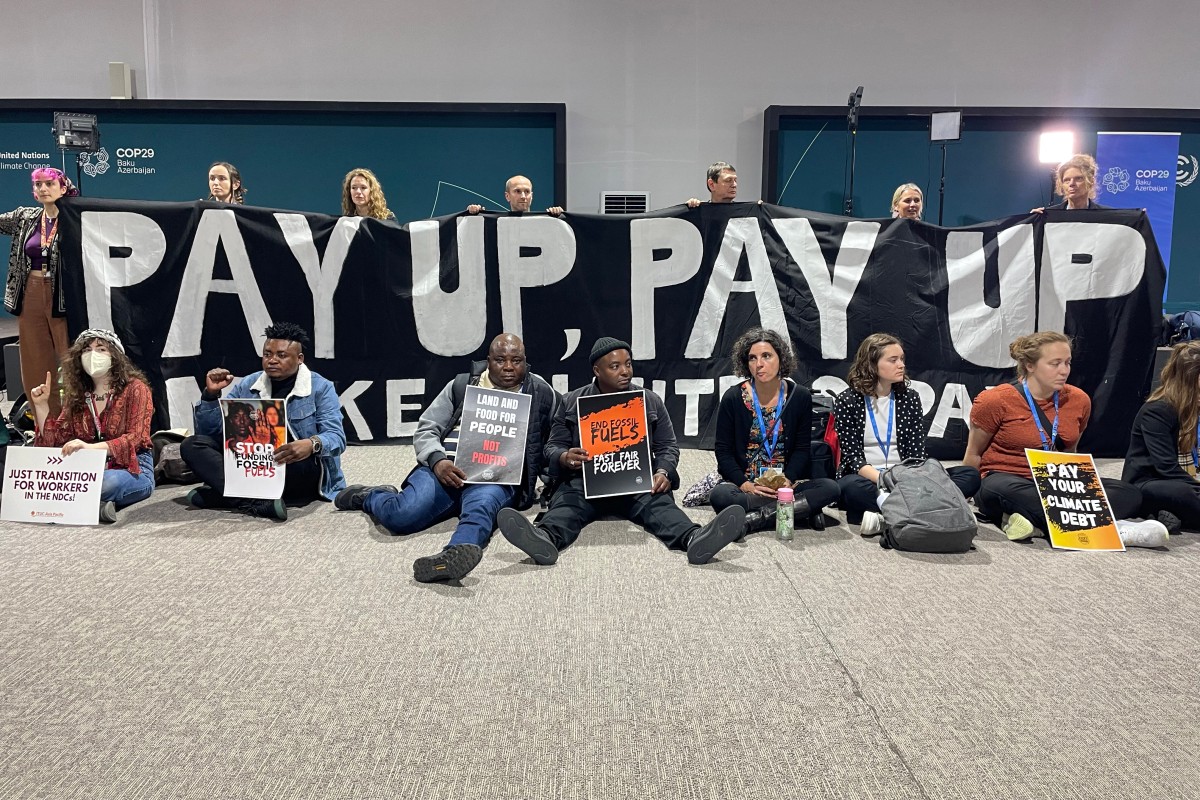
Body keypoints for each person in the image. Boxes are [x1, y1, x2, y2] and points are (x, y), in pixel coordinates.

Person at [497, 337, 745, 566]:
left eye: (628, 364)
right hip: (585, 481)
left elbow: (667, 446)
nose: (625, 371)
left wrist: (663, 471)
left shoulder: (648, 400)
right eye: (615, 366)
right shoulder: (572, 401)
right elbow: (553, 447)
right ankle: (544, 538)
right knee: (565, 509)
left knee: (660, 507)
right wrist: (565, 457)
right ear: (597, 371)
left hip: (633, 480)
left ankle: (694, 538)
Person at [335, 334, 559, 583]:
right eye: (500, 360)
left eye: (516, 360)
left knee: (480, 511)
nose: (508, 367)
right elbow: (427, 428)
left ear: (525, 361)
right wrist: (437, 460)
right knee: (401, 517)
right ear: (488, 361)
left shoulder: (540, 392)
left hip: (495, 475)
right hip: (446, 468)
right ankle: (371, 497)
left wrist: (550, 483)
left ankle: (452, 557)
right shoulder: (462, 385)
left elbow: (553, 439)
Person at [965, 331, 1166, 547]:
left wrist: (1076, 486)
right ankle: (1112, 528)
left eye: (1067, 363)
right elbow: (974, 453)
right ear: (1030, 365)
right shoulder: (995, 400)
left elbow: (1071, 454)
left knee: (1129, 493)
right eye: (1055, 363)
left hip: (1056, 483)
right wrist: (962, 498)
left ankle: (1036, 524)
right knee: (1001, 491)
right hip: (1007, 478)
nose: (1064, 371)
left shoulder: (1079, 400)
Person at [181, 322, 346, 519]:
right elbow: (212, 433)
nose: (272, 360)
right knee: (192, 445)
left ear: (299, 358)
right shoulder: (249, 384)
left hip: (292, 464)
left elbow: (336, 437)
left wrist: (312, 444)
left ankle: (225, 495)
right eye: (267, 354)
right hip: (251, 461)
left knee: (298, 463)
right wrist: (211, 395)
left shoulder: (321, 388)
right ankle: (256, 502)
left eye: (281, 355)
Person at [833, 333, 980, 533]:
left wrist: (906, 481)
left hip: (906, 476)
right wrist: (884, 480)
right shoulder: (847, 400)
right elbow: (852, 458)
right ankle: (931, 511)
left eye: (902, 359)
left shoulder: (909, 398)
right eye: (893, 360)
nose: (901, 365)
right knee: (850, 488)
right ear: (872, 364)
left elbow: (916, 452)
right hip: (868, 477)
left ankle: (889, 515)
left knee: (969, 475)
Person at [711, 327, 840, 532]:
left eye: (766, 356)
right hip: (748, 485)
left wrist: (787, 480)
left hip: (785, 485)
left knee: (831, 488)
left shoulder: (800, 396)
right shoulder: (733, 398)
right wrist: (746, 484)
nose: (759, 364)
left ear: (781, 359)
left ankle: (752, 520)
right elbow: (723, 451)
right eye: (752, 358)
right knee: (720, 496)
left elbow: (801, 449)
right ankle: (800, 510)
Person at [29, 329, 154, 524]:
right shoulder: (79, 394)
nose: (93, 354)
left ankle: (73, 504)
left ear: (115, 355)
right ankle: (96, 506)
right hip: (85, 469)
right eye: (87, 349)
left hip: (132, 467)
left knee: (106, 482)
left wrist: (90, 448)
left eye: (101, 349)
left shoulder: (136, 388)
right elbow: (56, 440)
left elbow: (136, 438)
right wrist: (41, 405)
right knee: (50, 481)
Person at [2, 167, 80, 417]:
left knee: (71, 359)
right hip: (31, 292)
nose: (44, 189)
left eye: (49, 184)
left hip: (64, 295)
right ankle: (44, 423)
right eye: (38, 185)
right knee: (35, 360)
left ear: (63, 187)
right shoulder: (26, 217)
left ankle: (77, 418)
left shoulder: (76, 216)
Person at [1122, 341, 1200, 532]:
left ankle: (1169, 515)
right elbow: (1166, 468)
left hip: (1180, 481)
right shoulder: (1158, 410)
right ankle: (1165, 512)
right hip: (1148, 482)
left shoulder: (1193, 407)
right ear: (1193, 378)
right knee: (1184, 493)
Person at [1031, 154, 1109, 213]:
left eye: (1078, 178)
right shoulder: (1050, 215)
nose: (1071, 184)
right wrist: (1032, 222)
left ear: (1091, 181)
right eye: (1067, 180)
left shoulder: (1106, 216)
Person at [466, 175, 563, 215]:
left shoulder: (548, 222)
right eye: (518, 191)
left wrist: (561, 219)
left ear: (532, 195)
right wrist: (474, 217)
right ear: (507, 196)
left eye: (527, 191)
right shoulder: (496, 223)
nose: (523, 196)